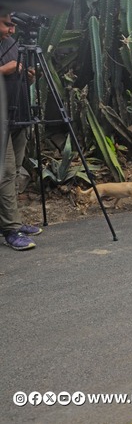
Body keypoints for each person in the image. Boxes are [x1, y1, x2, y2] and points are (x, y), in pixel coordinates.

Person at [0, 13, 42, 251]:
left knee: (14, 171)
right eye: (7, 25)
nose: (13, 30)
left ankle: (9, 219)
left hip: (20, 114)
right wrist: (3, 70)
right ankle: (11, 229)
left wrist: (30, 77)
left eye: (15, 25)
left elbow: (26, 81)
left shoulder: (14, 45)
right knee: (5, 172)